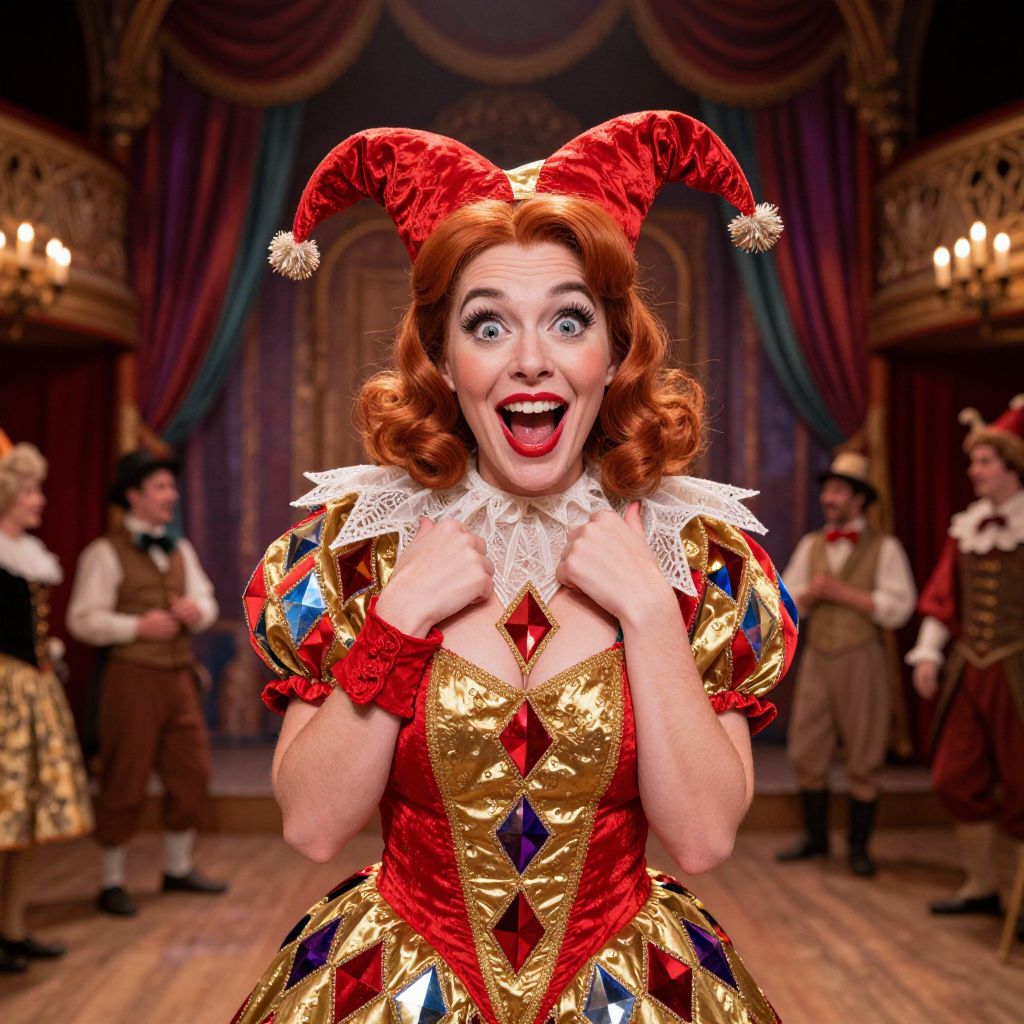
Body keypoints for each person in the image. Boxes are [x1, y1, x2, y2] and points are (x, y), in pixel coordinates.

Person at [232, 112, 797, 1024]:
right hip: (394, 987)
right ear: (444, 361)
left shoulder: (702, 563)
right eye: (487, 325)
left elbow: (700, 840)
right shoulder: (354, 552)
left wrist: (650, 613)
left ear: (613, 354)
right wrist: (398, 623)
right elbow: (311, 826)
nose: (530, 361)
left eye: (568, 320)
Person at [66, 449, 225, 917]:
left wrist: (196, 613)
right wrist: (135, 627)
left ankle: (177, 868)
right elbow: (82, 619)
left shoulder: (179, 549)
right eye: (160, 487)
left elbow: (207, 600)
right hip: (131, 678)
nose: (170, 496)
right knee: (125, 775)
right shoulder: (103, 552)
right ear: (133, 496)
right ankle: (111, 879)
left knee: (191, 770)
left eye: (171, 487)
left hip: (178, 677)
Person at [906, 396, 1024, 920]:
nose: (973, 470)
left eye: (984, 462)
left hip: (1018, 672)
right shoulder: (966, 527)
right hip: (970, 671)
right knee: (955, 776)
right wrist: (928, 653)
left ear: (1010, 466)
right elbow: (942, 596)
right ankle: (983, 883)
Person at [775, 452, 916, 877]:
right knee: (805, 748)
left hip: (862, 658)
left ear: (858, 500)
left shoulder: (885, 547)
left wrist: (846, 594)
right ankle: (816, 839)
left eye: (837, 491)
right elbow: (783, 598)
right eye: (827, 490)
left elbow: (900, 607)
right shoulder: (812, 544)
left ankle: (859, 847)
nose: (827, 498)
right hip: (819, 655)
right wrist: (810, 595)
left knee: (865, 752)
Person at [0, 431, 93, 973]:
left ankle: (12, 927)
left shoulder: (30, 556)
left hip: (33, 690)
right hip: (7, 692)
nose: (39, 500)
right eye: (31, 490)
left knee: (26, 818)